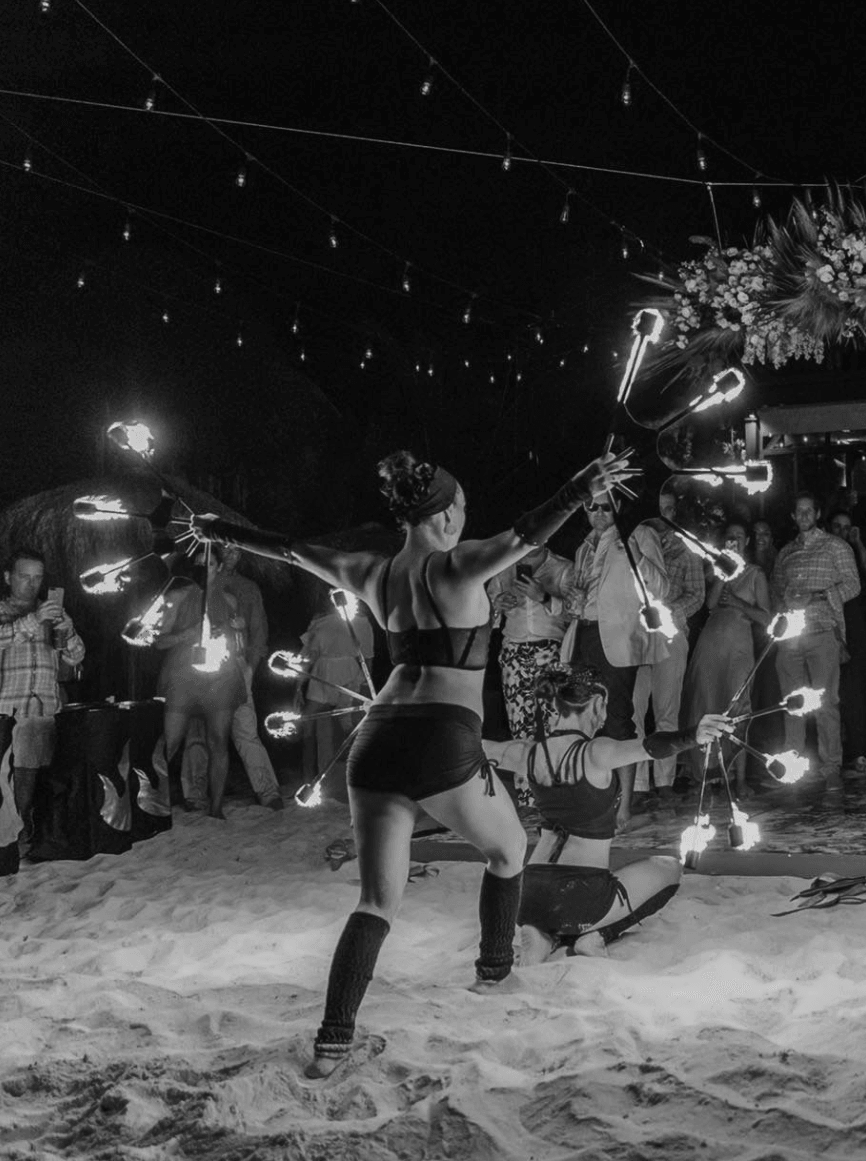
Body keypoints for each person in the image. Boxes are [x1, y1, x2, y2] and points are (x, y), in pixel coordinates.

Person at [186, 446, 628, 1076]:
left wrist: (220, 529)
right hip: (441, 736)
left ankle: (333, 1039)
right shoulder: (458, 565)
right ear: (445, 516)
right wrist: (580, 487)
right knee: (508, 850)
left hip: (377, 738)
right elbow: (527, 532)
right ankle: (493, 972)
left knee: (375, 901)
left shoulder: (373, 572)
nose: (465, 517)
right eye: (462, 507)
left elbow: (290, 549)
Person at [482, 664, 732, 958]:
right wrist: (694, 735)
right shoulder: (595, 752)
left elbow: (475, 748)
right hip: (582, 895)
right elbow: (649, 747)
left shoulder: (528, 752)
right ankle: (595, 935)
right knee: (670, 868)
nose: (604, 718)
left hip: (528, 894)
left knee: (552, 911)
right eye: (605, 707)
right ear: (597, 703)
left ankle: (540, 933)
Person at [0, 547, 85, 855]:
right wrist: (35, 619)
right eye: (24, 576)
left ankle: (20, 835)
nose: (31, 584)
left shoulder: (54, 614)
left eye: (37, 578)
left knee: (28, 776)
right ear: (8, 577)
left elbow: (76, 656)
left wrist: (67, 631)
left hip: (40, 705)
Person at [562, 498, 670, 773]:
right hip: (584, 634)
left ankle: (625, 799)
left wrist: (636, 555)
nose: (598, 512)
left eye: (605, 506)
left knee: (617, 720)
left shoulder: (640, 535)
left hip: (617, 639)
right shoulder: (583, 548)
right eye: (591, 506)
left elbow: (661, 588)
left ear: (618, 505)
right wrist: (573, 601)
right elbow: (583, 598)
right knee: (581, 717)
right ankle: (594, 789)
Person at [771, 494, 860, 778]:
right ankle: (792, 763)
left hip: (822, 630)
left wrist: (820, 596)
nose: (804, 515)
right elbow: (776, 590)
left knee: (825, 701)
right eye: (799, 511)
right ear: (793, 516)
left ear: (818, 513)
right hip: (791, 636)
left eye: (809, 510)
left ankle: (831, 763)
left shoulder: (836, 546)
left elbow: (853, 584)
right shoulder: (786, 552)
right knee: (792, 702)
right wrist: (787, 603)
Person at [683, 522, 772, 796]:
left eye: (739, 537)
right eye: (730, 537)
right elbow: (710, 604)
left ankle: (740, 779)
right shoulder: (717, 570)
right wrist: (724, 571)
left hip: (739, 647)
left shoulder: (756, 574)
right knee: (705, 702)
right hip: (711, 644)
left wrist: (738, 603)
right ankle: (707, 774)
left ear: (747, 541)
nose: (734, 540)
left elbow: (766, 617)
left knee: (737, 708)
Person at [152, 571, 250, 818]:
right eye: (198, 564)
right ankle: (155, 804)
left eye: (211, 564)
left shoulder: (229, 600)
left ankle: (216, 808)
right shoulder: (177, 597)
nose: (204, 568)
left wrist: (237, 632)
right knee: (170, 741)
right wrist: (189, 633)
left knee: (218, 741)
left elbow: (240, 646)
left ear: (218, 567)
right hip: (183, 677)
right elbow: (159, 642)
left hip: (220, 678)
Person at [632, 481, 705, 805]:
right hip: (636, 636)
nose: (664, 515)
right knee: (634, 710)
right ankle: (637, 784)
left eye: (670, 509)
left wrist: (669, 611)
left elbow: (697, 595)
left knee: (666, 711)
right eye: (659, 508)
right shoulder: (633, 542)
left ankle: (664, 781)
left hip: (671, 634)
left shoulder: (686, 547)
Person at [210, 545, 284, 811]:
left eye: (235, 551)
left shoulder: (248, 588)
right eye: (225, 550)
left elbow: (258, 631)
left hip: (236, 664)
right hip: (201, 665)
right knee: (200, 730)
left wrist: (250, 668)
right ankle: (195, 795)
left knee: (245, 730)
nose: (230, 555)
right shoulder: (199, 585)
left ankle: (268, 790)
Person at [294, 587, 376, 805]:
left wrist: (365, 687)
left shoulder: (361, 622)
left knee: (351, 729)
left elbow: (368, 658)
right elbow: (307, 656)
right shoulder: (319, 621)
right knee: (307, 724)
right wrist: (298, 686)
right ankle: (308, 781)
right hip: (321, 674)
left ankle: (358, 782)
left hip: (349, 677)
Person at [488, 546, 572, 745]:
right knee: (519, 723)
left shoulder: (563, 567)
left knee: (554, 721)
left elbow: (575, 612)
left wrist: (544, 597)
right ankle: (524, 764)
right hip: (514, 652)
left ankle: (551, 764)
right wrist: (496, 606)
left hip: (552, 651)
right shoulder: (503, 567)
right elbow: (485, 617)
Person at [829, 509, 866, 772]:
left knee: (856, 687)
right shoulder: (826, 552)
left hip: (855, 622)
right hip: (828, 619)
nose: (842, 532)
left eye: (847, 527)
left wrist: (857, 541)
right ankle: (832, 752)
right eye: (837, 526)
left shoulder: (853, 553)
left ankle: (859, 750)